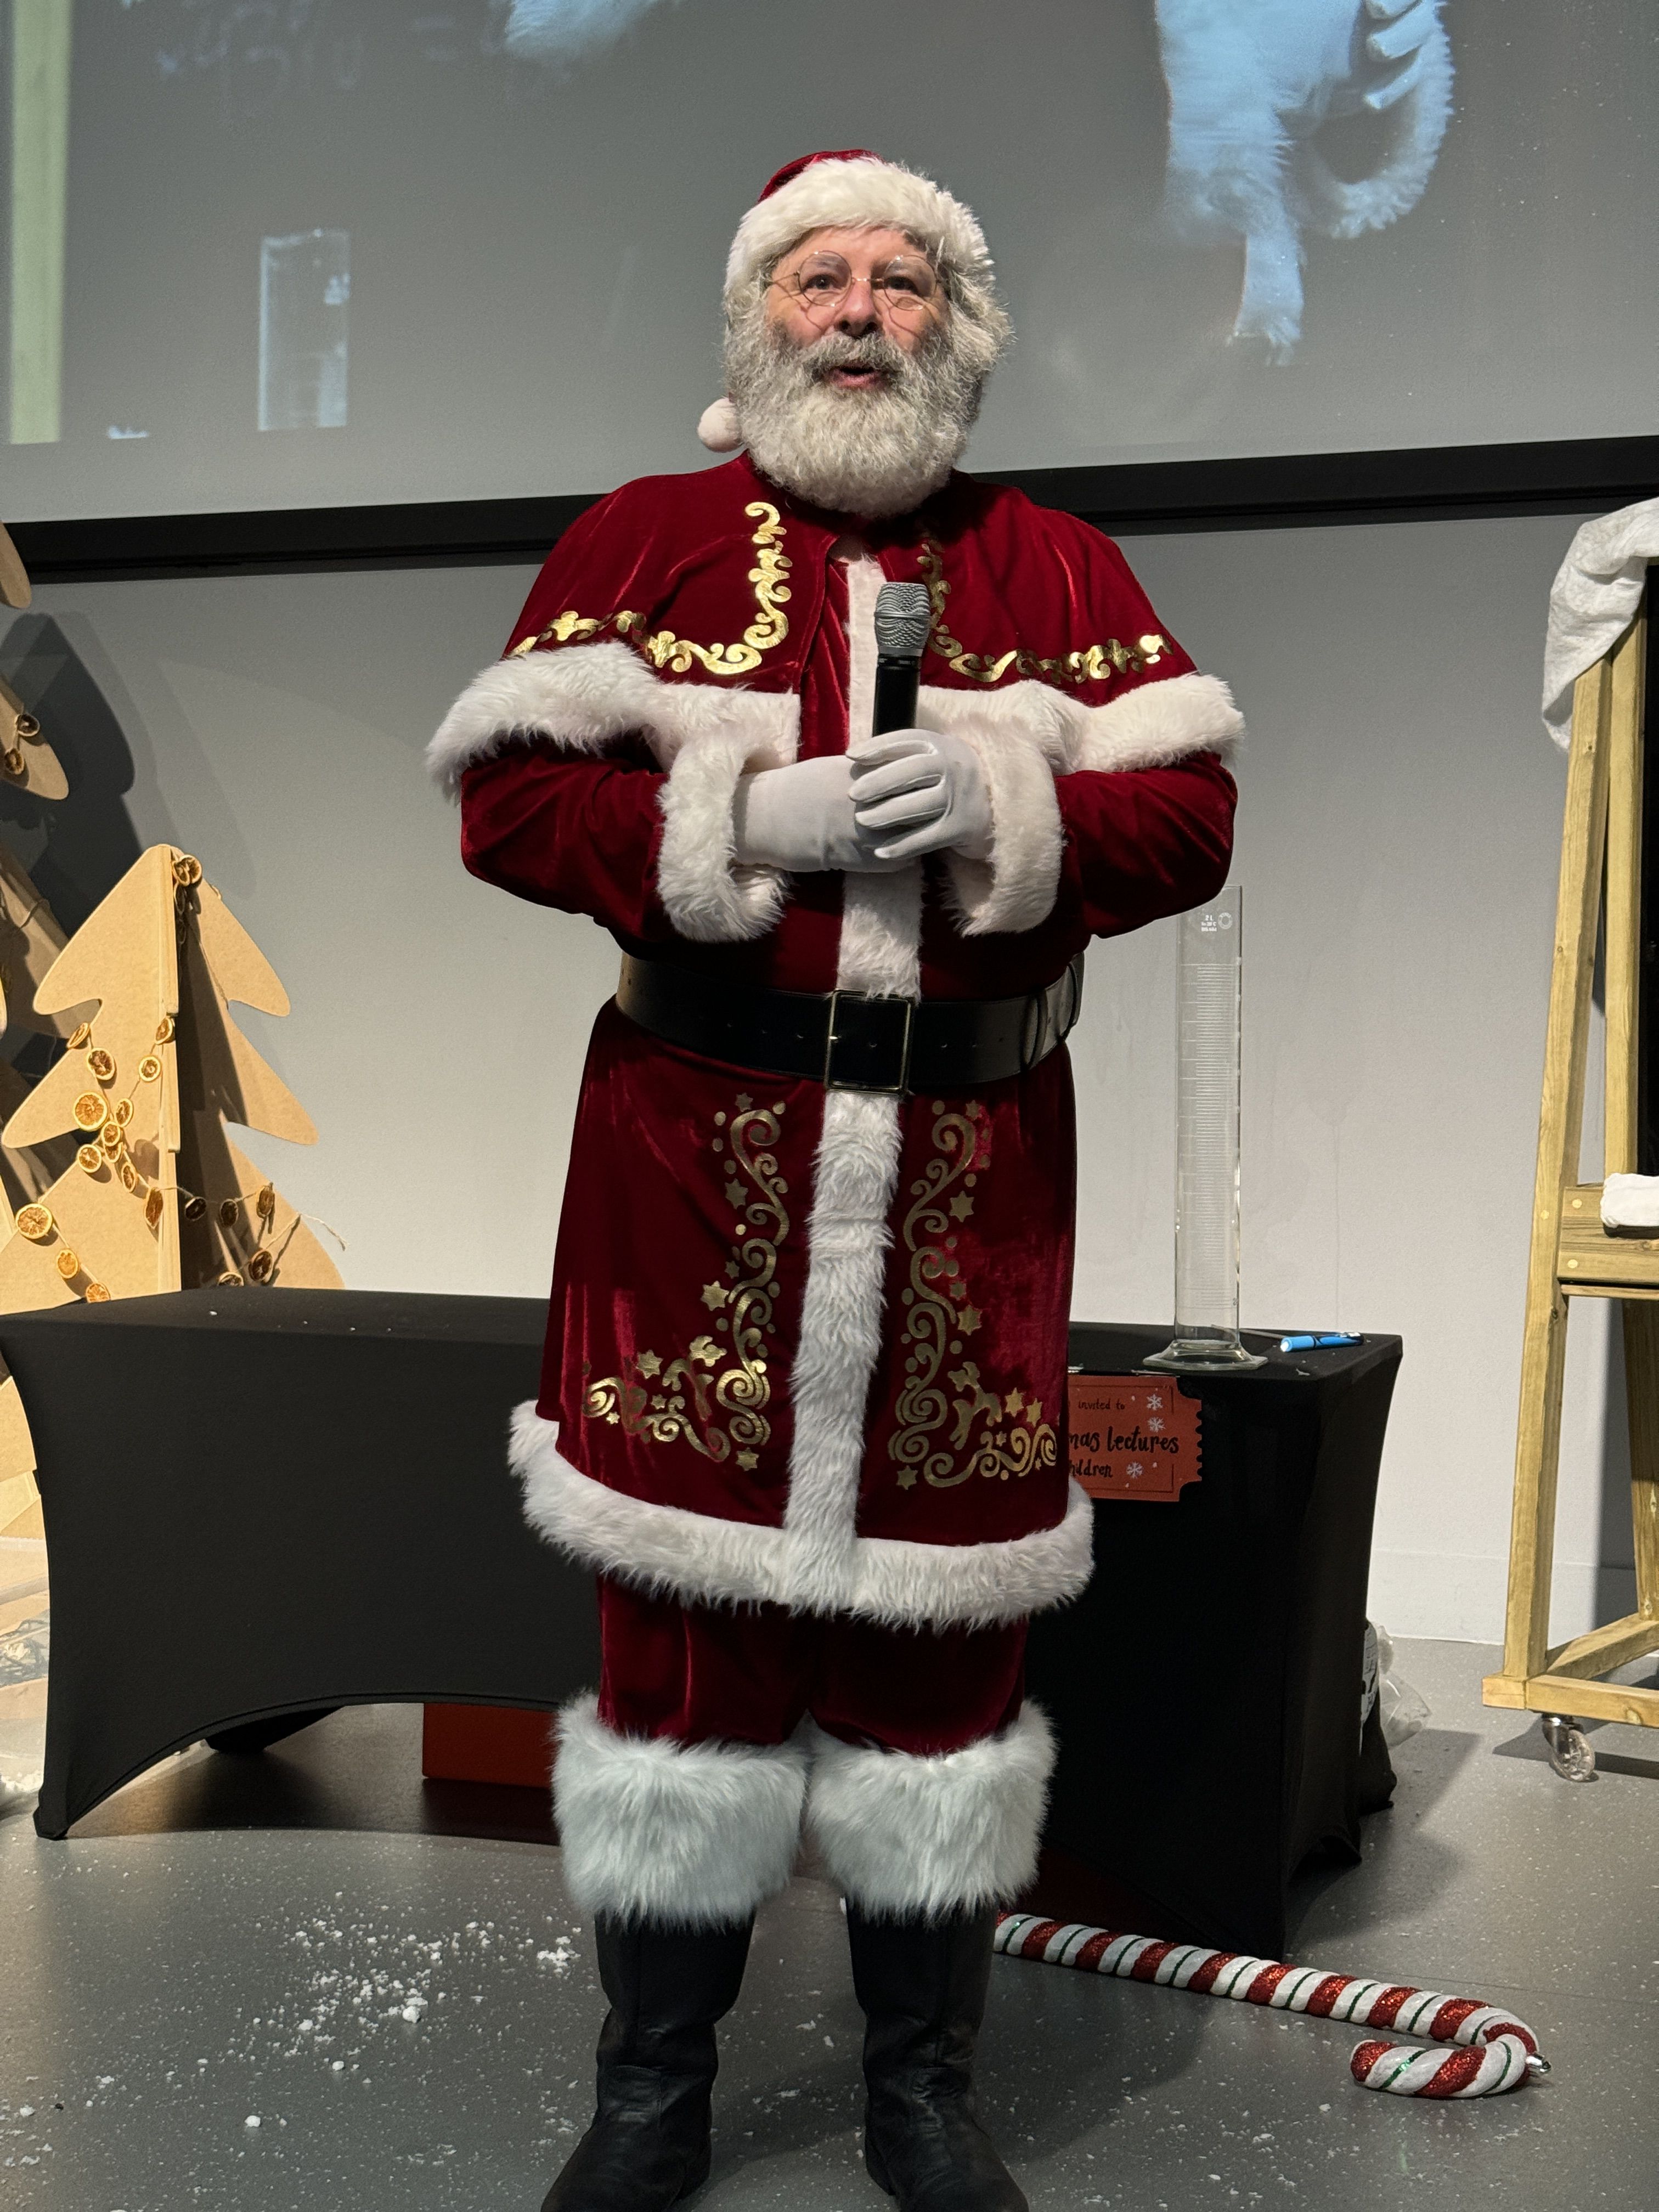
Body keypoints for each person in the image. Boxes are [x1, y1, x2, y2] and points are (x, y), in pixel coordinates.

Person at [430, 150, 1239, 2212]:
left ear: (957, 329)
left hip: (976, 1193)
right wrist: (739, 821)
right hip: (689, 1177)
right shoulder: (643, 540)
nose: (861, 310)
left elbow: (1192, 826)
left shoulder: (1059, 566)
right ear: (757, 319)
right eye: (819, 277)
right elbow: (509, 805)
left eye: (901, 279)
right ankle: (651, 2092)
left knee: (941, 1662)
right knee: (680, 1648)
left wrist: (1006, 801)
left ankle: (921, 2094)